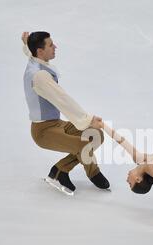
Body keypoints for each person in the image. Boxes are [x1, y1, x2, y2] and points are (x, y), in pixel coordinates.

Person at [21, 31, 110, 194]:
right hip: (43, 131)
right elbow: (63, 100)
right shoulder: (40, 76)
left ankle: (59, 170)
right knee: (83, 144)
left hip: (57, 124)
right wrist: (88, 119)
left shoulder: (35, 59)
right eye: (50, 45)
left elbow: (30, 52)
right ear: (40, 51)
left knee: (96, 135)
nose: (55, 47)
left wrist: (27, 43)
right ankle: (93, 172)